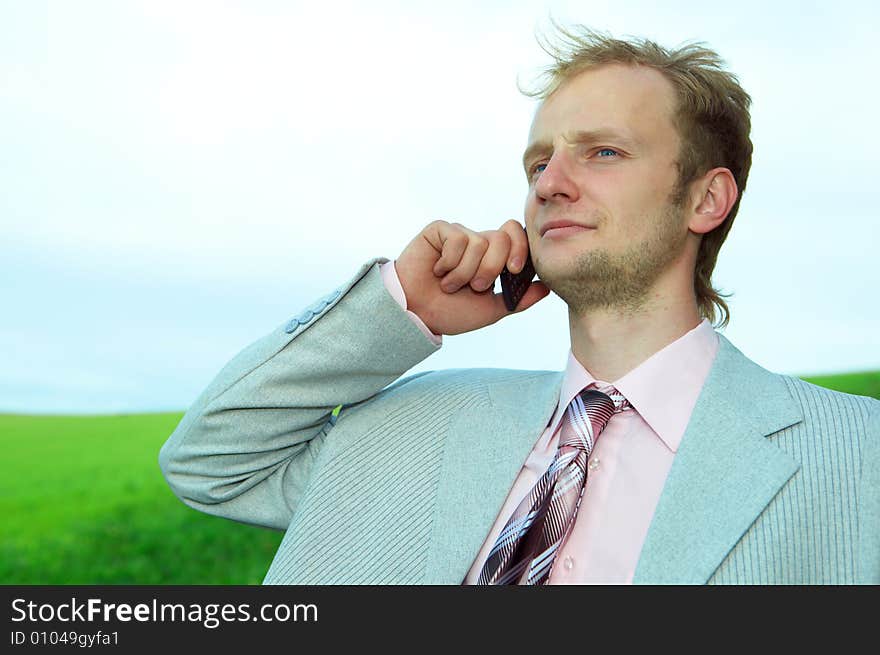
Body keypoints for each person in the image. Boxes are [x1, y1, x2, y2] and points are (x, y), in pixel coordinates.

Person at [159, 25, 879, 584]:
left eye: (602, 152)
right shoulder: (416, 423)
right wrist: (403, 307)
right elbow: (210, 461)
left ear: (705, 198)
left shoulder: (855, 454)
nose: (551, 183)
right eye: (539, 161)